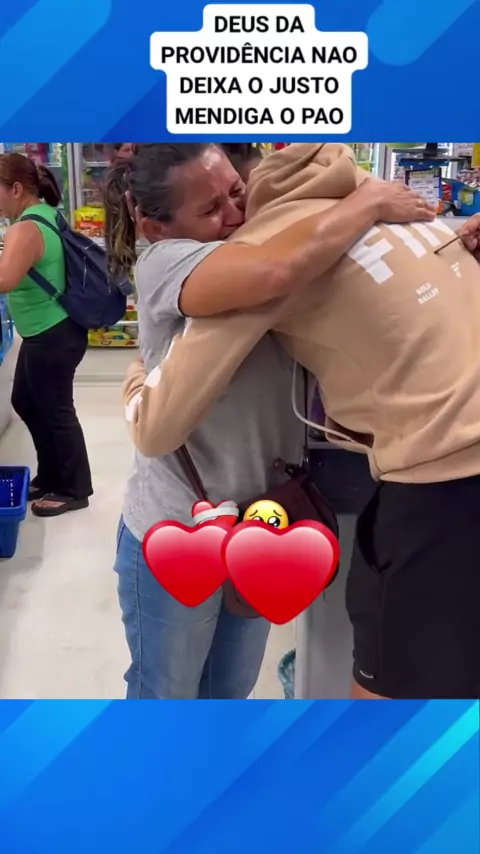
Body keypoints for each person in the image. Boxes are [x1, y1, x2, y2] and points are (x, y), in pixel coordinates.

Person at [122, 142, 480, 701]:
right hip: (181, 520)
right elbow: (275, 270)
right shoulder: (219, 262)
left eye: (236, 193)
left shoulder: (317, 238)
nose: (235, 215)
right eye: (210, 209)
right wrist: (136, 379)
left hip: (263, 515)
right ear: (155, 226)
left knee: (231, 686)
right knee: (166, 690)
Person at [0, 153, 93, 516]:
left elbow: (7, 279)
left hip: (51, 333)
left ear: (16, 189)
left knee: (56, 411)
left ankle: (74, 488)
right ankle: (52, 474)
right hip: (51, 330)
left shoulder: (25, 227)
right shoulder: (44, 213)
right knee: (26, 401)